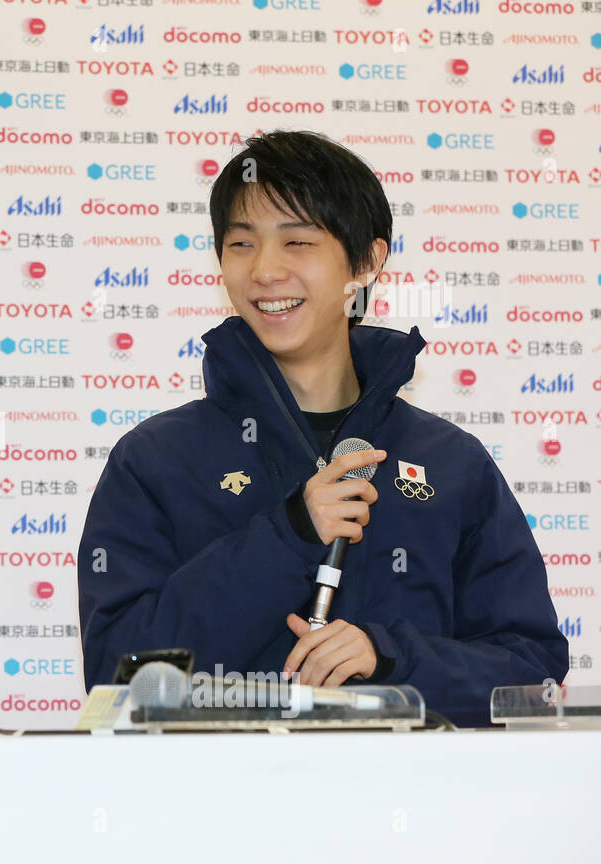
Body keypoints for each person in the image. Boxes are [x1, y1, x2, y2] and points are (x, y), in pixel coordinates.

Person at [77, 130, 566, 727]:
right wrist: (288, 537)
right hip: (217, 810)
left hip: (419, 808)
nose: (265, 270)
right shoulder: (156, 459)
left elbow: (533, 675)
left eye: (298, 241)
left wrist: (390, 658)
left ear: (364, 263)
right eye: (240, 244)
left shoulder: (449, 462)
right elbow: (116, 678)